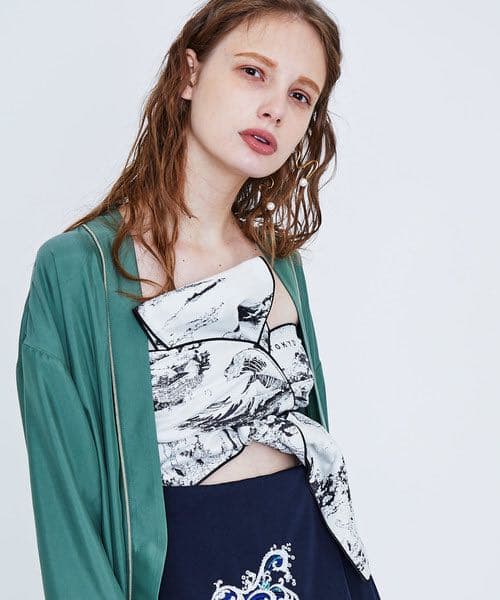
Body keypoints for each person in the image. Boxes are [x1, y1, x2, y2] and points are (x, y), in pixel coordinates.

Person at [16, 0, 382, 598]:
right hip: (189, 574)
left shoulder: (279, 264)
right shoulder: (76, 268)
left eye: (300, 96)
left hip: (317, 561)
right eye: (253, 72)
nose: (275, 108)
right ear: (190, 74)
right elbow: (67, 512)